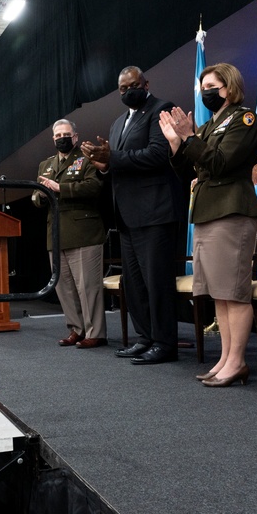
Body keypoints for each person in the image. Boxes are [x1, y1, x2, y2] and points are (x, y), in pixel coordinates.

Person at [161, 63, 257, 387]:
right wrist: (176, 143)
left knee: (233, 293)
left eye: (212, 85)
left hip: (231, 211)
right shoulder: (208, 127)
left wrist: (190, 137)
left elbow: (219, 163)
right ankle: (225, 358)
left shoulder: (243, 120)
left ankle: (237, 362)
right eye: (203, 85)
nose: (206, 91)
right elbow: (188, 172)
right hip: (208, 214)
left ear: (229, 87)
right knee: (219, 295)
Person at [80, 66, 188, 364]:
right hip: (126, 215)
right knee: (135, 283)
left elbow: (158, 154)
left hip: (155, 211)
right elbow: (117, 165)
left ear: (146, 83)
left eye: (133, 85)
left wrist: (112, 157)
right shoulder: (116, 124)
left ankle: (165, 342)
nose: (129, 92)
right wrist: (103, 165)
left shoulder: (160, 109)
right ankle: (146, 337)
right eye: (123, 89)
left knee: (157, 281)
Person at [33, 118, 107, 349]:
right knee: (63, 287)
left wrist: (59, 188)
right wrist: (41, 195)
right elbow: (36, 196)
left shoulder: (86, 159)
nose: (61, 139)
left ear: (75, 137)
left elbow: (94, 187)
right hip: (56, 234)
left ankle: (95, 333)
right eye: (57, 136)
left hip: (84, 232)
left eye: (66, 135)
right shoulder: (46, 164)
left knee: (88, 287)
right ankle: (76, 329)